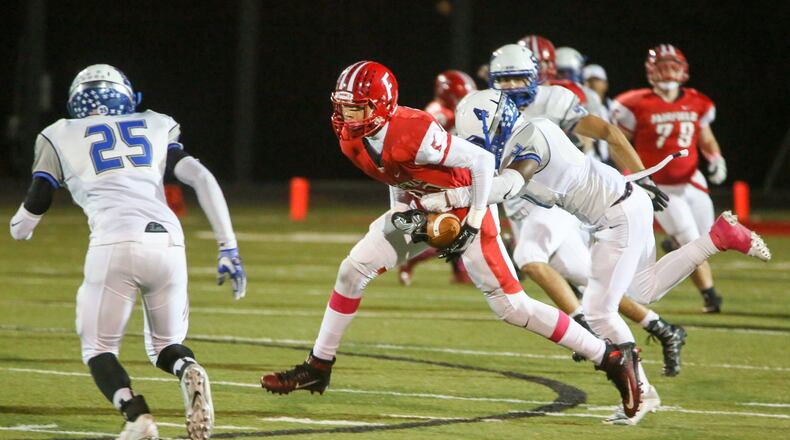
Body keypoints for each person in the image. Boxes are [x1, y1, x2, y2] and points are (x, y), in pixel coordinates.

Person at [260, 61, 642, 418]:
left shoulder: (414, 130)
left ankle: (608, 356)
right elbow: (396, 177)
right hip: (426, 205)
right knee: (352, 269)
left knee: (512, 307)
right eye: (343, 107)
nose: (346, 116)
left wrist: (473, 221)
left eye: (356, 108)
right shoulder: (352, 140)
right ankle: (318, 366)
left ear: (381, 106)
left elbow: (481, 162)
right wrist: (400, 216)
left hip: (467, 203)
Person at [431, 89, 770, 424]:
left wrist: (446, 200)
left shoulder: (529, 140)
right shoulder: (531, 129)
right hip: (618, 207)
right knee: (643, 289)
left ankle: (640, 392)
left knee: (599, 311)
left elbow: (509, 183)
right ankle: (720, 237)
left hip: (615, 214)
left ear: (497, 124)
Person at [9, 64, 248, 439]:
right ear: (125, 97)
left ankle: (137, 416)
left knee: (98, 347)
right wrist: (228, 246)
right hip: (167, 239)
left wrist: (19, 226)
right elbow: (200, 176)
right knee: (166, 346)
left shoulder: (59, 133)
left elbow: (38, 198)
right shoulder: (154, 123)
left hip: (113, 241)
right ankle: (187, 368)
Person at [485, 43, 687, 377]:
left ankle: (586, 334)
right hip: (520, 204)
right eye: (504, 81)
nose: (511, 89)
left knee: (529, 259)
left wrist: (643, 178)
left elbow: (607, 133)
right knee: (590, 282)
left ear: (534, 77)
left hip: (557, 200)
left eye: (518, 79)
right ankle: (663, 328)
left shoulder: (555, 100)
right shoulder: (486, 108)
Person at [610, 44, 728, 313]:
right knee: (691, 242)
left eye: (673, 65)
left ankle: (673, 246)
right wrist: (634, 175)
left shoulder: (698, 101)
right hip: (661, 185)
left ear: (683, 69)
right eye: (662, 65)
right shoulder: (633, 103)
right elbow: (618, 143)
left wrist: (716, 157)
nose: (668, 71)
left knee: (707, 240)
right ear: (651, 70)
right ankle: (710, 295)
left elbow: (706, 136)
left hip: (692, 180)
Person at [398, 70, 476, 286]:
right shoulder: (440, 114)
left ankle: (459, 271)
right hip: (436, 179)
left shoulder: (444, 110)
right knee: (452, 226)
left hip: (445, 175)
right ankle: (413, 260)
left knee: (456, 226)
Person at [583, 64, 615, 165]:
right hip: (590, 161)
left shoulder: (613, 107)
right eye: (587, 81)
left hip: (611, 162)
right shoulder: (580, 106)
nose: (590, 85)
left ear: (605, 84)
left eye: (595, 80)